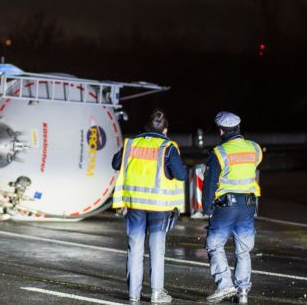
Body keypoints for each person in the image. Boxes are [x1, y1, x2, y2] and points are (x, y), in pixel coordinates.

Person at [111, 109, 187, 303]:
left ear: (145, 127)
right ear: (166, 130)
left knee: (134, 248)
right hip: (159, 207)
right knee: (156, 249)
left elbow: (115, 163)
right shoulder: (167, 147)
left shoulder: (131, 143)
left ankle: (133, 294)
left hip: (135, 205)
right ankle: (156, 293)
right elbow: (181, 175)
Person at [202, 111, 263, 304]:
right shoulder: (254, 148)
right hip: (248, 207)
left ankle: (224, 284)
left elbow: (210, 183)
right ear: (238, 128)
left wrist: (207, 208)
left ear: (221, 131)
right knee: (243, 251)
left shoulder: (219, 153)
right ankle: (242, 292)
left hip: (225, 208)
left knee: (214, 245)